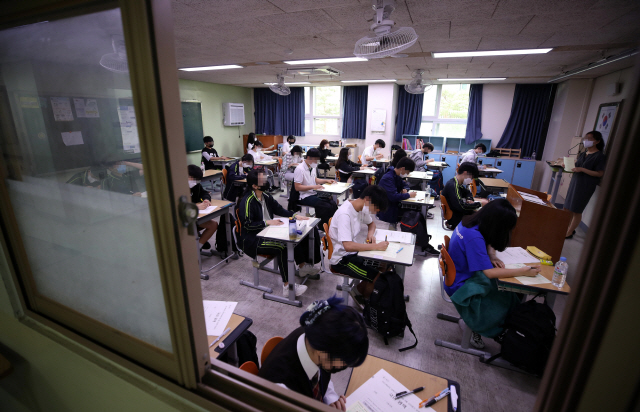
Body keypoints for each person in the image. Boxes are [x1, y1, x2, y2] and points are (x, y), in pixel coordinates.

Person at [446, 199, 540, 348]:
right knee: (506, 297)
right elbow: (489, 273)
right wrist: (523, 271)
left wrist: (492, 255)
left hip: (459, 276)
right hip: (462, 287)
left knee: (506, 290)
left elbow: (487, 240)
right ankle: (477, 326)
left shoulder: (471, 221)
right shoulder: (474, 237)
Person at [259, 297, 368, 410]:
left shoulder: (313, 336)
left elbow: (321, 376)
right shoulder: (282, 390)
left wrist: (331, 399)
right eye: (345, 362)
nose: (344, 367)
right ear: (323, 351)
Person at [237, 169, 319, 296]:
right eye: (262, 180)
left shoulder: (266, 196)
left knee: (293, 237)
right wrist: (267, 223)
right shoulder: (247, 202)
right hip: (251, 240)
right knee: (282, 247)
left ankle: (302, 267)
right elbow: (247, 225)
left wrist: (295, 216)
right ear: (254, 186)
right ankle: (288, 286)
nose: (266, 181)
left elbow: (279, 209)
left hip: (267, 232)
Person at [329, 185, 389, 306]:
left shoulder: (360, 207)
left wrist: (370, 234)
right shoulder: (345, 214)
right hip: (342, 259)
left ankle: (358, 291)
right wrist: (376, 246)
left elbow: (372, 224)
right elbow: (348, 246)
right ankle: (366, 301)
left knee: (384, 265)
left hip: (353, 252)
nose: (375, 212)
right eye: (376, 208)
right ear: (367, 199)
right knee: (377, 277)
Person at [563, 131, 606, 239]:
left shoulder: (599, 156)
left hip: (586, 185)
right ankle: (566, 229)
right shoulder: (583, 153)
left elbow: (600, 173)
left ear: (597, 141)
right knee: (568, 207)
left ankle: (569, 232)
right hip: (575, 182)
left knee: (577, 209)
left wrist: (582, 169)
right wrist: (567, 165)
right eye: (586, 138)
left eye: (590, 138)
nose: (586, 140)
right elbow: (576, 166)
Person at [294, 148, 338, 227]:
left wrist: (326, 180)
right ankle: (323, 228)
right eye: (315, 160)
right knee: (325, 206)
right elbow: (297, 187)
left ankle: (333, 225)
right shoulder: (300, 169)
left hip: (313, 193)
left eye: (317, 160)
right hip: (304, 196)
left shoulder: (312, 167)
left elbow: (315, 179)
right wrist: (314, 186)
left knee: (332, 202)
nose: (316, 162)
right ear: (308, 158)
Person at [442, 162, 488, 229]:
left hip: (458, 214)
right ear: (465, 173)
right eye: (471, 177)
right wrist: (480, 204)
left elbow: (467, 192)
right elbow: (461, 207)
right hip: (456, 218)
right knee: (484, 217)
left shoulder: (456, 183)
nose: (471, 179)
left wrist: (469, 199)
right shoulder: (453, 186)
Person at [376, 157, 416, 226]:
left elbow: (406, 185)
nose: (407, 174)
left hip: (393, 205)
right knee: (412, 215)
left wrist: (405, 189)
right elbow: (393, 197)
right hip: (387, 208)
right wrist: (409, 195)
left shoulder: (396, 175)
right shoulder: (388, 178)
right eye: (407, 172)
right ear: (402, 169)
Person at [188, 165, 218, 253]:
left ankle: (197, 248)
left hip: (195, 217)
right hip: (183, 220)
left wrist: (206, 199)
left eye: (197, 180)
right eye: (192, 178)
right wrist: (196, 206)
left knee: (213, 224)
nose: (195, 182)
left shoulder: (195, 185)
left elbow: (204, 192)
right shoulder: (177, 187)